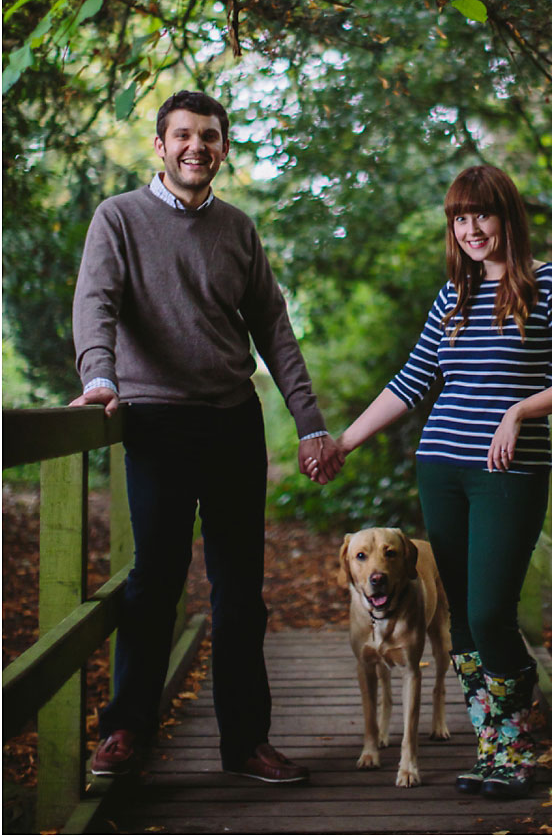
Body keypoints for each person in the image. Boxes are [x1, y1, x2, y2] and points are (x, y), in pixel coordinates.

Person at [70, 89, 343, 783]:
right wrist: (99, 379)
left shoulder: (238, 230)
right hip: (155, 420)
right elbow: (95, 306)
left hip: (232, 422)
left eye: (211, 136)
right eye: (184, 135)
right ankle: (126, 729)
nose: (197, 146)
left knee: (239, 591)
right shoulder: (119, 219)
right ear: (160, 146)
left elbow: (275, 331)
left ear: (223, 149)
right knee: (153, 583)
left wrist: (310, 422)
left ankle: (246, 741)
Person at [336, 164, 552, 798]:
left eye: (482, 213)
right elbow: (411, 383)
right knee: (461, 619)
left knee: (490, 613)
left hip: (509, 472)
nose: (471, 228)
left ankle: (528, 741)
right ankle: (495, 745)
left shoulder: (551, 286)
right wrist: (343, 443)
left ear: (507, 216)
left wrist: (520, 410)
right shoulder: (452, 296)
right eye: (459, 217)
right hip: (442, 470)